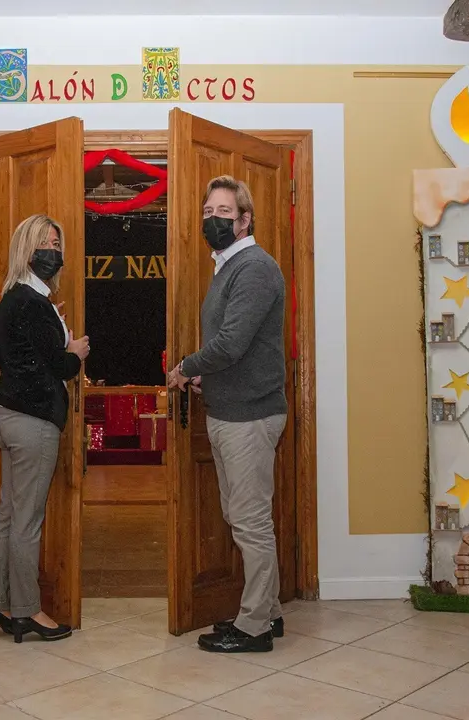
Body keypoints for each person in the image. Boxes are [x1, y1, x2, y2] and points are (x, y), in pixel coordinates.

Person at [167, 175, 287, 654]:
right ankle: (268, 612)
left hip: (249, 417)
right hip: (230, 410)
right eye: (207, 211)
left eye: (223, 212)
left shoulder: (254, 268)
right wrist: (205, 379)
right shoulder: (228, 268)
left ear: (244, 220)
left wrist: (186, 368)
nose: (212, 219)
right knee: (245, 517)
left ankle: (255, 627)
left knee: (250, 523)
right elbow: (241, 349)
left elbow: (232, 344)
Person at [0, 214, 90, 644]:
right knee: (26, 521)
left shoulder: (15, 298)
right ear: (27, 247)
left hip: (9, 418)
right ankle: (26, 611)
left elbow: (22, 358)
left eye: (57, 243)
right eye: (45, 242)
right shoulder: (32, 301)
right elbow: (55, 364)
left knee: (7, 514)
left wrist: (55, 332)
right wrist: (76, 351)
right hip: (34, 422)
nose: (53, 250)